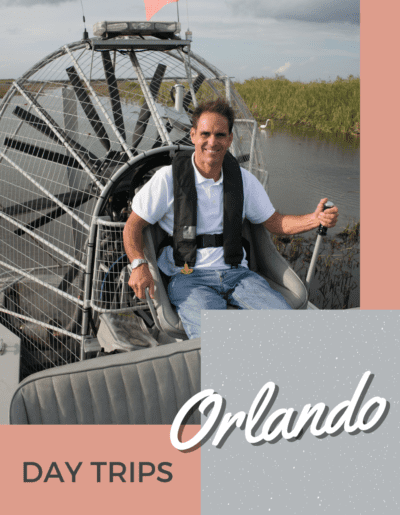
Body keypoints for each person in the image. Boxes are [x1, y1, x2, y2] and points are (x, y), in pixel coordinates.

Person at [123, 99, 339, 338]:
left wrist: (314, 219)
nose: (212, 142)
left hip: (239, 275)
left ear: (229, 139)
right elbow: (133, 225)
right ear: (193, 135)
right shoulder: (167, 179)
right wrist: (138, 264)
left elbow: (275, 222)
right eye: (205, 134)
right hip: (189, 277)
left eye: (220, 134)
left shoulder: (243, 181)